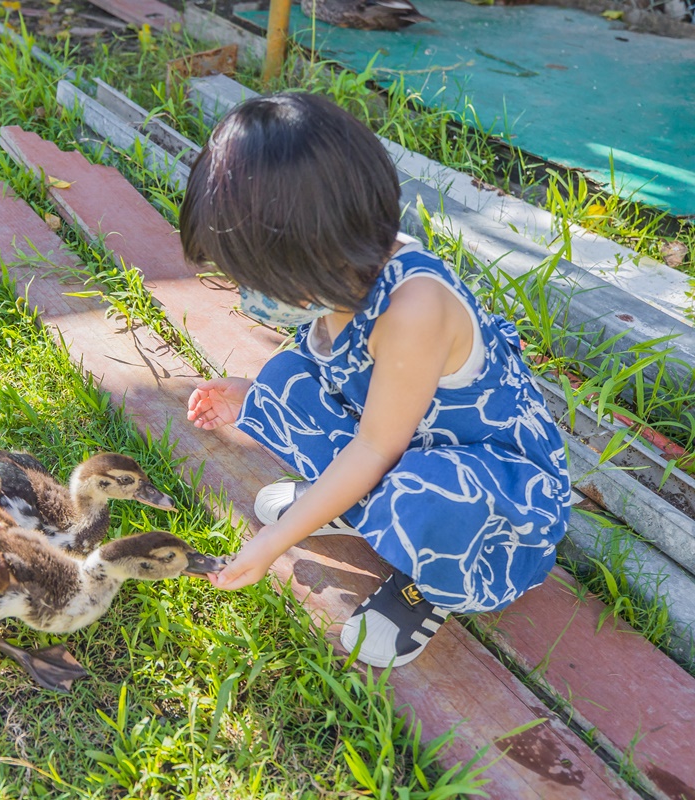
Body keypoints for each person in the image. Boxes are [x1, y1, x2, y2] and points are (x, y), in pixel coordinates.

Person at [179, 92, 571, 668]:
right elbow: (341, 379)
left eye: (255, 279)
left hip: (485, 487)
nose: (247, 297)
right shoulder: (342, 273)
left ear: (309, 254)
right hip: (404, 439)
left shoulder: (414, 309)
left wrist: (271, 545)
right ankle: (359, 507)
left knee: (426, 499)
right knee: (285, 376)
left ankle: (429, 584)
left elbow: (374, 446)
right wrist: (251, 391)